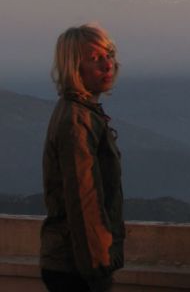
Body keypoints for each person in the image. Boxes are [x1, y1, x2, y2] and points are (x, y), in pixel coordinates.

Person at [40, 24, 125, 292]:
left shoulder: (81, 113)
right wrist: (98, 268)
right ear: (74, 68)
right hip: (76, 268)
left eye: (108, 55)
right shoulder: (77, 121)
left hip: (71, 262)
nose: (107, 64)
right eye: (94, 58)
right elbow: (83, 198)